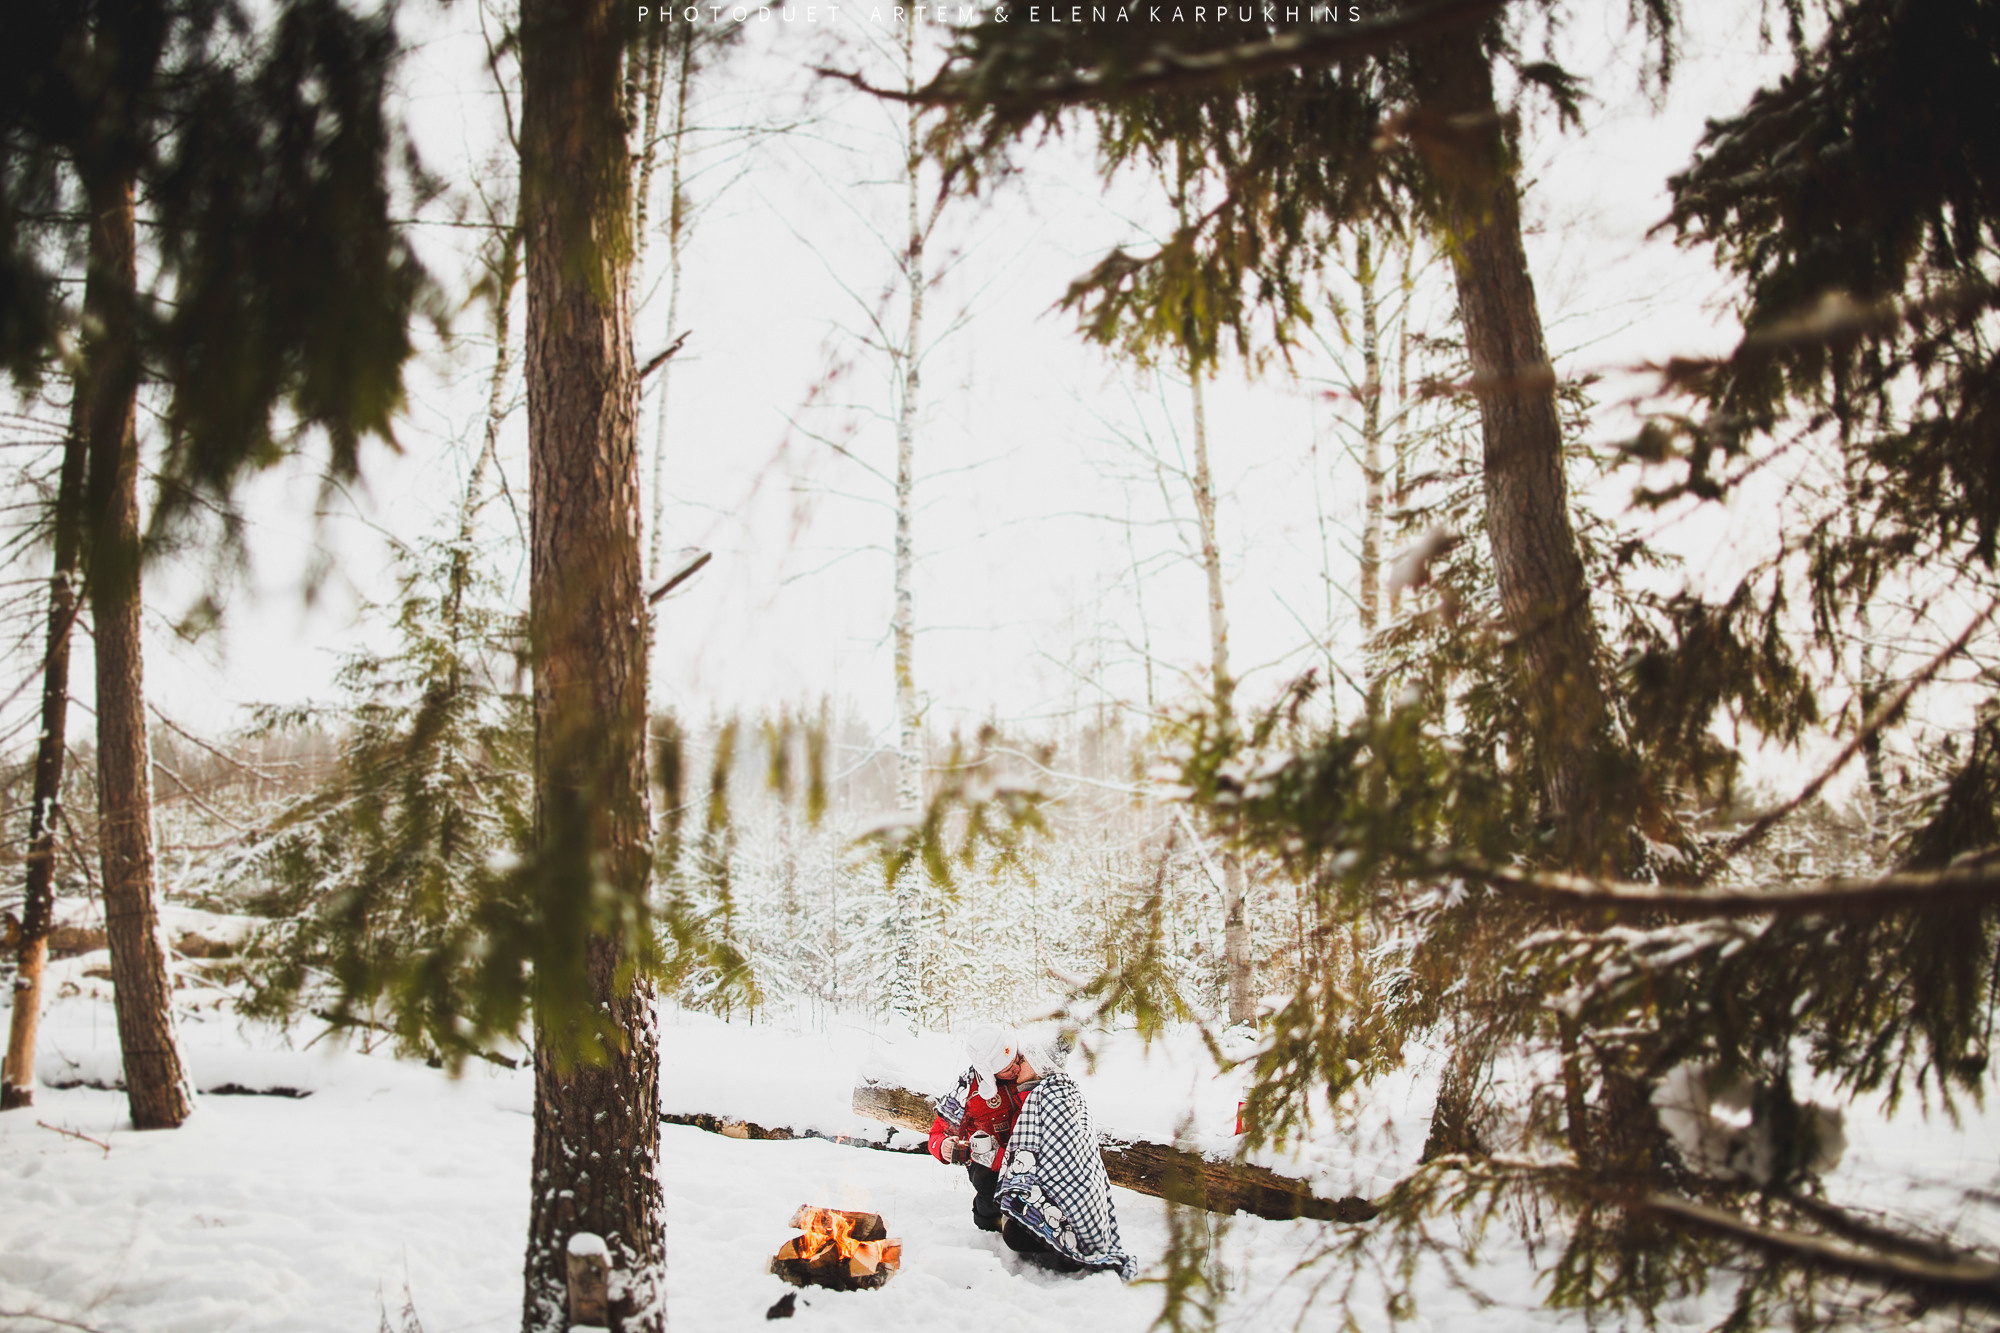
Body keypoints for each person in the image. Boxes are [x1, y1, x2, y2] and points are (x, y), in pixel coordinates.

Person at [991, 1042, 1136, 1281]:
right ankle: (1060, 1242)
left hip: (1071, 1203)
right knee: (1014, 1225)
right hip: (1074, 1203)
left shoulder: (1052, 1095)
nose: (1018, 1066)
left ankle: (1066, 1250)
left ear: (1039, 1066)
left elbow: (1063, 1162)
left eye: (1024, 1061)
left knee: (1014, 1234)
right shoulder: (1057, 1091)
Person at [929, 1024, 1026, 1234]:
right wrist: (943, 1146)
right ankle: (989, 1225)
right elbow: (937, 1134)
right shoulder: (967, 1090)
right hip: (986, 1158)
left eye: (1017, 1060)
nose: (1017, 1068)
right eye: (1009, 1069)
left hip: (1022, 1150)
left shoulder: (1026, 1062)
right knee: (988, 1184)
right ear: (990, 1072)